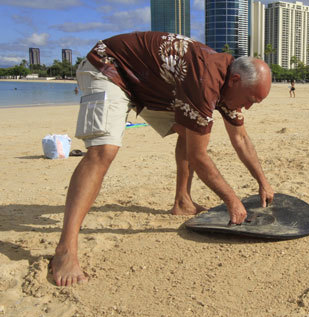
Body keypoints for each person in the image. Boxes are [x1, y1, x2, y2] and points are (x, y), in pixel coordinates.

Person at [51, 31, 274, 286]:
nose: (248, 108)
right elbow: (199, 157)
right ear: (235, 80)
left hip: (147, 84)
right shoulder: (205, 80)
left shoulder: (227, 82)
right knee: (103, 151)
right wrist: (232, 201)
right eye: (251, 100)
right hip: (108, 67)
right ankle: (65, 250)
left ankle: (183, 201)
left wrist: (263, 181)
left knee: (188, 129)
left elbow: (241, 140)